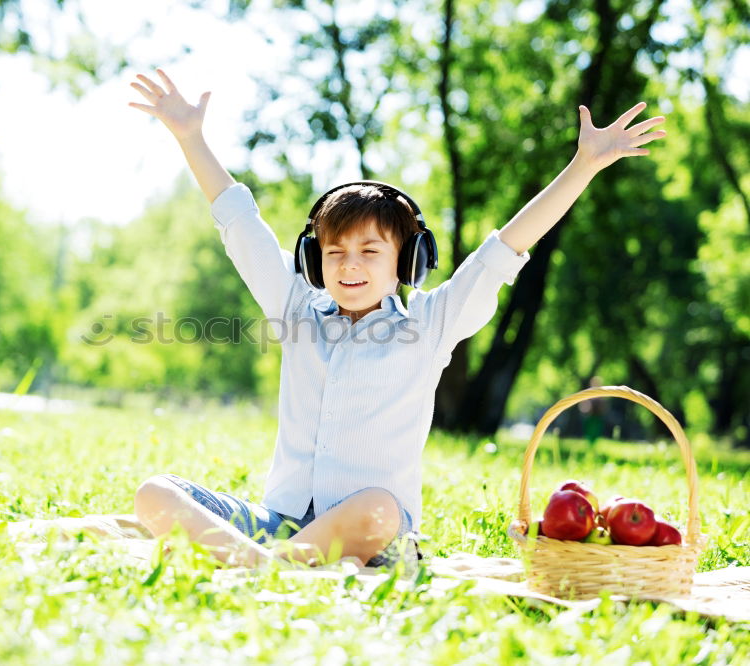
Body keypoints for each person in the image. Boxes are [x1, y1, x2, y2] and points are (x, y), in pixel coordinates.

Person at [127, 68, 666, 569]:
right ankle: (267, 567)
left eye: (370, 251)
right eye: (335, 252)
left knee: (379, 508)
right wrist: (191, 138)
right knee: (155, 492)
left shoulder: (429, 325)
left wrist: (584, 165)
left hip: (378, 539)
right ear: (315, 262)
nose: (350, 265)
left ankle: (251, 564)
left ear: (407, 262)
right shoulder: (296, 310)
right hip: (282, 524)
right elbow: (241, 225)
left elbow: (506, 248)